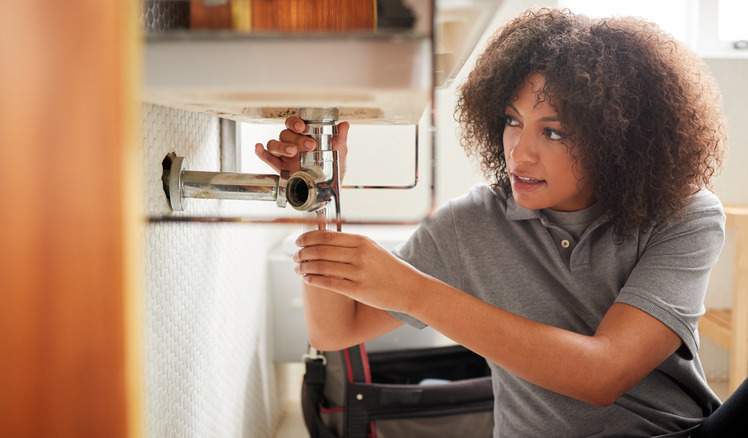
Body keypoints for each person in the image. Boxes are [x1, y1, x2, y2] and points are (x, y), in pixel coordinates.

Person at [255, 8, 730, 437]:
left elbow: (602, 375)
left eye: (553, 131)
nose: (519, 152)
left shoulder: (685, 213)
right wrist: (319, 192)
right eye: (511, 120)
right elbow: (335, 331)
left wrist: (413, 290)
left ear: (617, 138)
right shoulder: (472, 224)